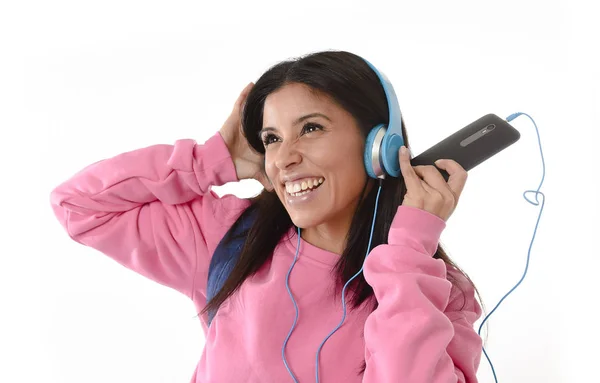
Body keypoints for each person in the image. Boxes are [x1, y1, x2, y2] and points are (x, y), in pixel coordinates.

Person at [50, 50, 484, 383]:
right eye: (272, 138)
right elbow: (79, 206)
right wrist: (209, 160)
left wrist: (409, 251)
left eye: (311, 128)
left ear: (379, 148)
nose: (284, 158)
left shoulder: (433, 288)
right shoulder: (231, 237)